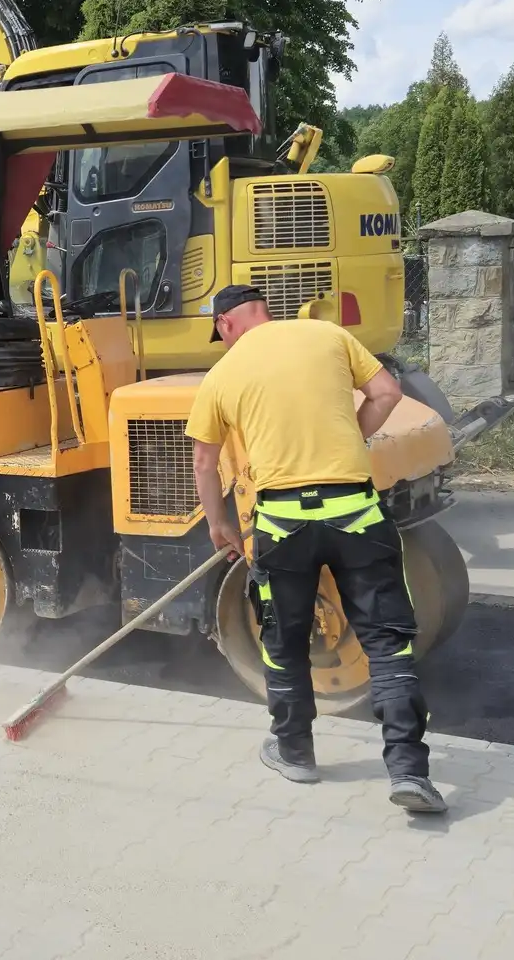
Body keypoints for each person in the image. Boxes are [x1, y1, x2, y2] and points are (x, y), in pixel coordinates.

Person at [184, 284, 445, 814]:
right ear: (264, 311)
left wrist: (219, 524)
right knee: (388, 644)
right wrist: (352, 437)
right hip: (355, 513)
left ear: (226, 323)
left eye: (221, 334)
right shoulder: (328, 335)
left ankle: (295, 753)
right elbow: (387, 394)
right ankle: (409, 772)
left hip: (283, 524)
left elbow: (205, 463)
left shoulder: (223, 374)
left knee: (283, 643)